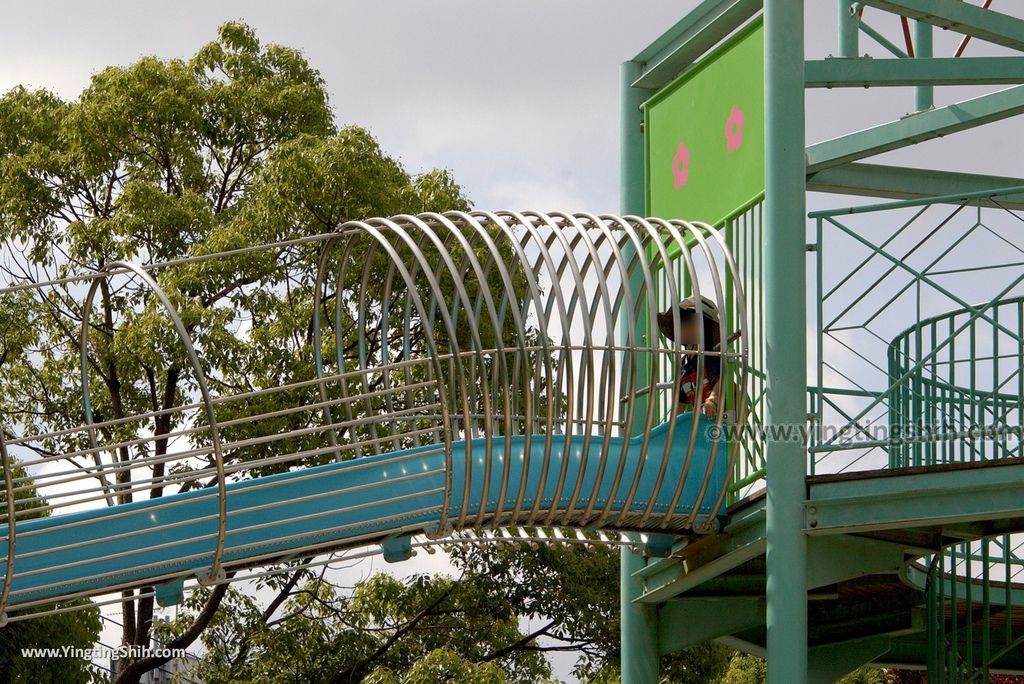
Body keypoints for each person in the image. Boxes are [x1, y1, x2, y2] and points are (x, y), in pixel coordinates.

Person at [656, 295, 723, 418]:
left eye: (694, 323)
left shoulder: (710, 356)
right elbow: (679, 404)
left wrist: (713, 399)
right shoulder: (684, 366)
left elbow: (721, 380)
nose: (688, 328)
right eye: (685, 323)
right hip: (703, 422)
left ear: (706, 328)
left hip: (721, 418)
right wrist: (671, 428)